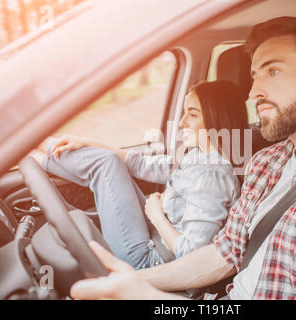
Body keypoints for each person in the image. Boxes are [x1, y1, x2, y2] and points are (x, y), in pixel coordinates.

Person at [69, 17, 296, 300]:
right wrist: (134, 279)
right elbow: (225, 252)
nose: (253, 92)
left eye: (274, 71)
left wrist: (146, 298)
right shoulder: (266, 161)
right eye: (255, 75)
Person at [42, 80, 249, 269]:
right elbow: (141, 164)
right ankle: (40, 152)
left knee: (106, 164)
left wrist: (156, 214)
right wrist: (87, 142)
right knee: (111, 162)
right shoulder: (198, 156)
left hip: (151, 261)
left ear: (217, 119)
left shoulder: (211, 177)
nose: (182, 122)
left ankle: (35, 147)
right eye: (185, 113)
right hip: (153, 236)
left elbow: (190, 254)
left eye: (192, 115)